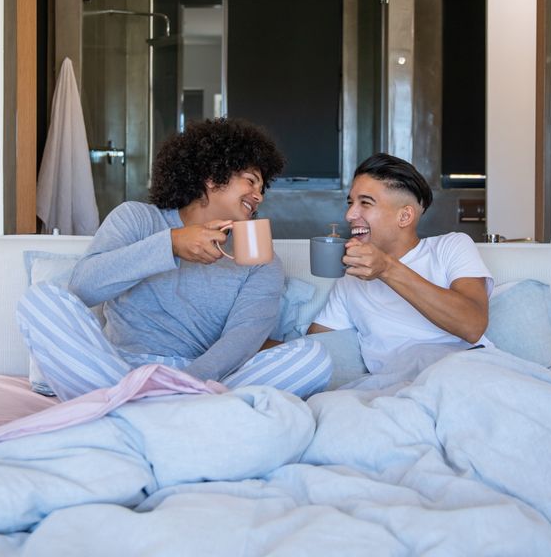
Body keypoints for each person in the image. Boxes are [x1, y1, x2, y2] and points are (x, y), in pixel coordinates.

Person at [17, 118, 332, 401]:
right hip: (116, 372)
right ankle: (157, 410)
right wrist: (170, 245)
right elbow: (82, 288)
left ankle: (142, 408)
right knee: (40, 299)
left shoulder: (261, 258)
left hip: (201, 381)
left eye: (263, 189)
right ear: (212, 177)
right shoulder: (137, 219)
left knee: (313, 359)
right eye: (251, 181)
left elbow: (243, 337)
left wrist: (185, 383)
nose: (259, 195)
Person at [307, 153, 493, 383]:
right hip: (397, 387)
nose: (349, 215)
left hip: (466, 374)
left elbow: (472, 325)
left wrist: (387, 268)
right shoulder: (351, 278)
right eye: (350, 203)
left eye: (365, 203)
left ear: (404, 216)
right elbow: (314, 348)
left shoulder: (450, 247)